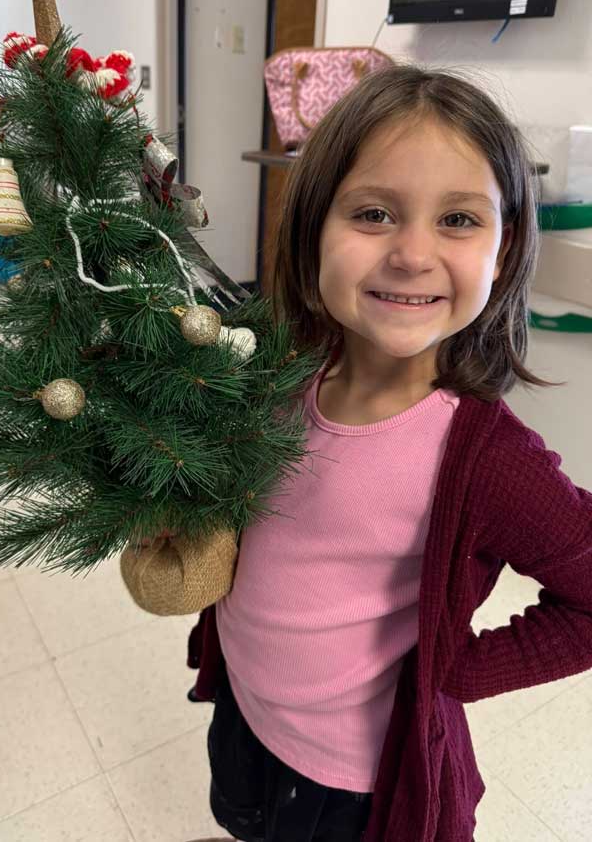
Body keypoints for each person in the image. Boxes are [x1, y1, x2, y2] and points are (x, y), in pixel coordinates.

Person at [185, 65, 592, 842]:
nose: (412, 253)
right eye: (374, 212)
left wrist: (459, 669)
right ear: (312, 232)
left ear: (503, 253)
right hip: (245, 708)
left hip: (350, 784)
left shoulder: (486, 459)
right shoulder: (279, 374)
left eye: (459, 220)